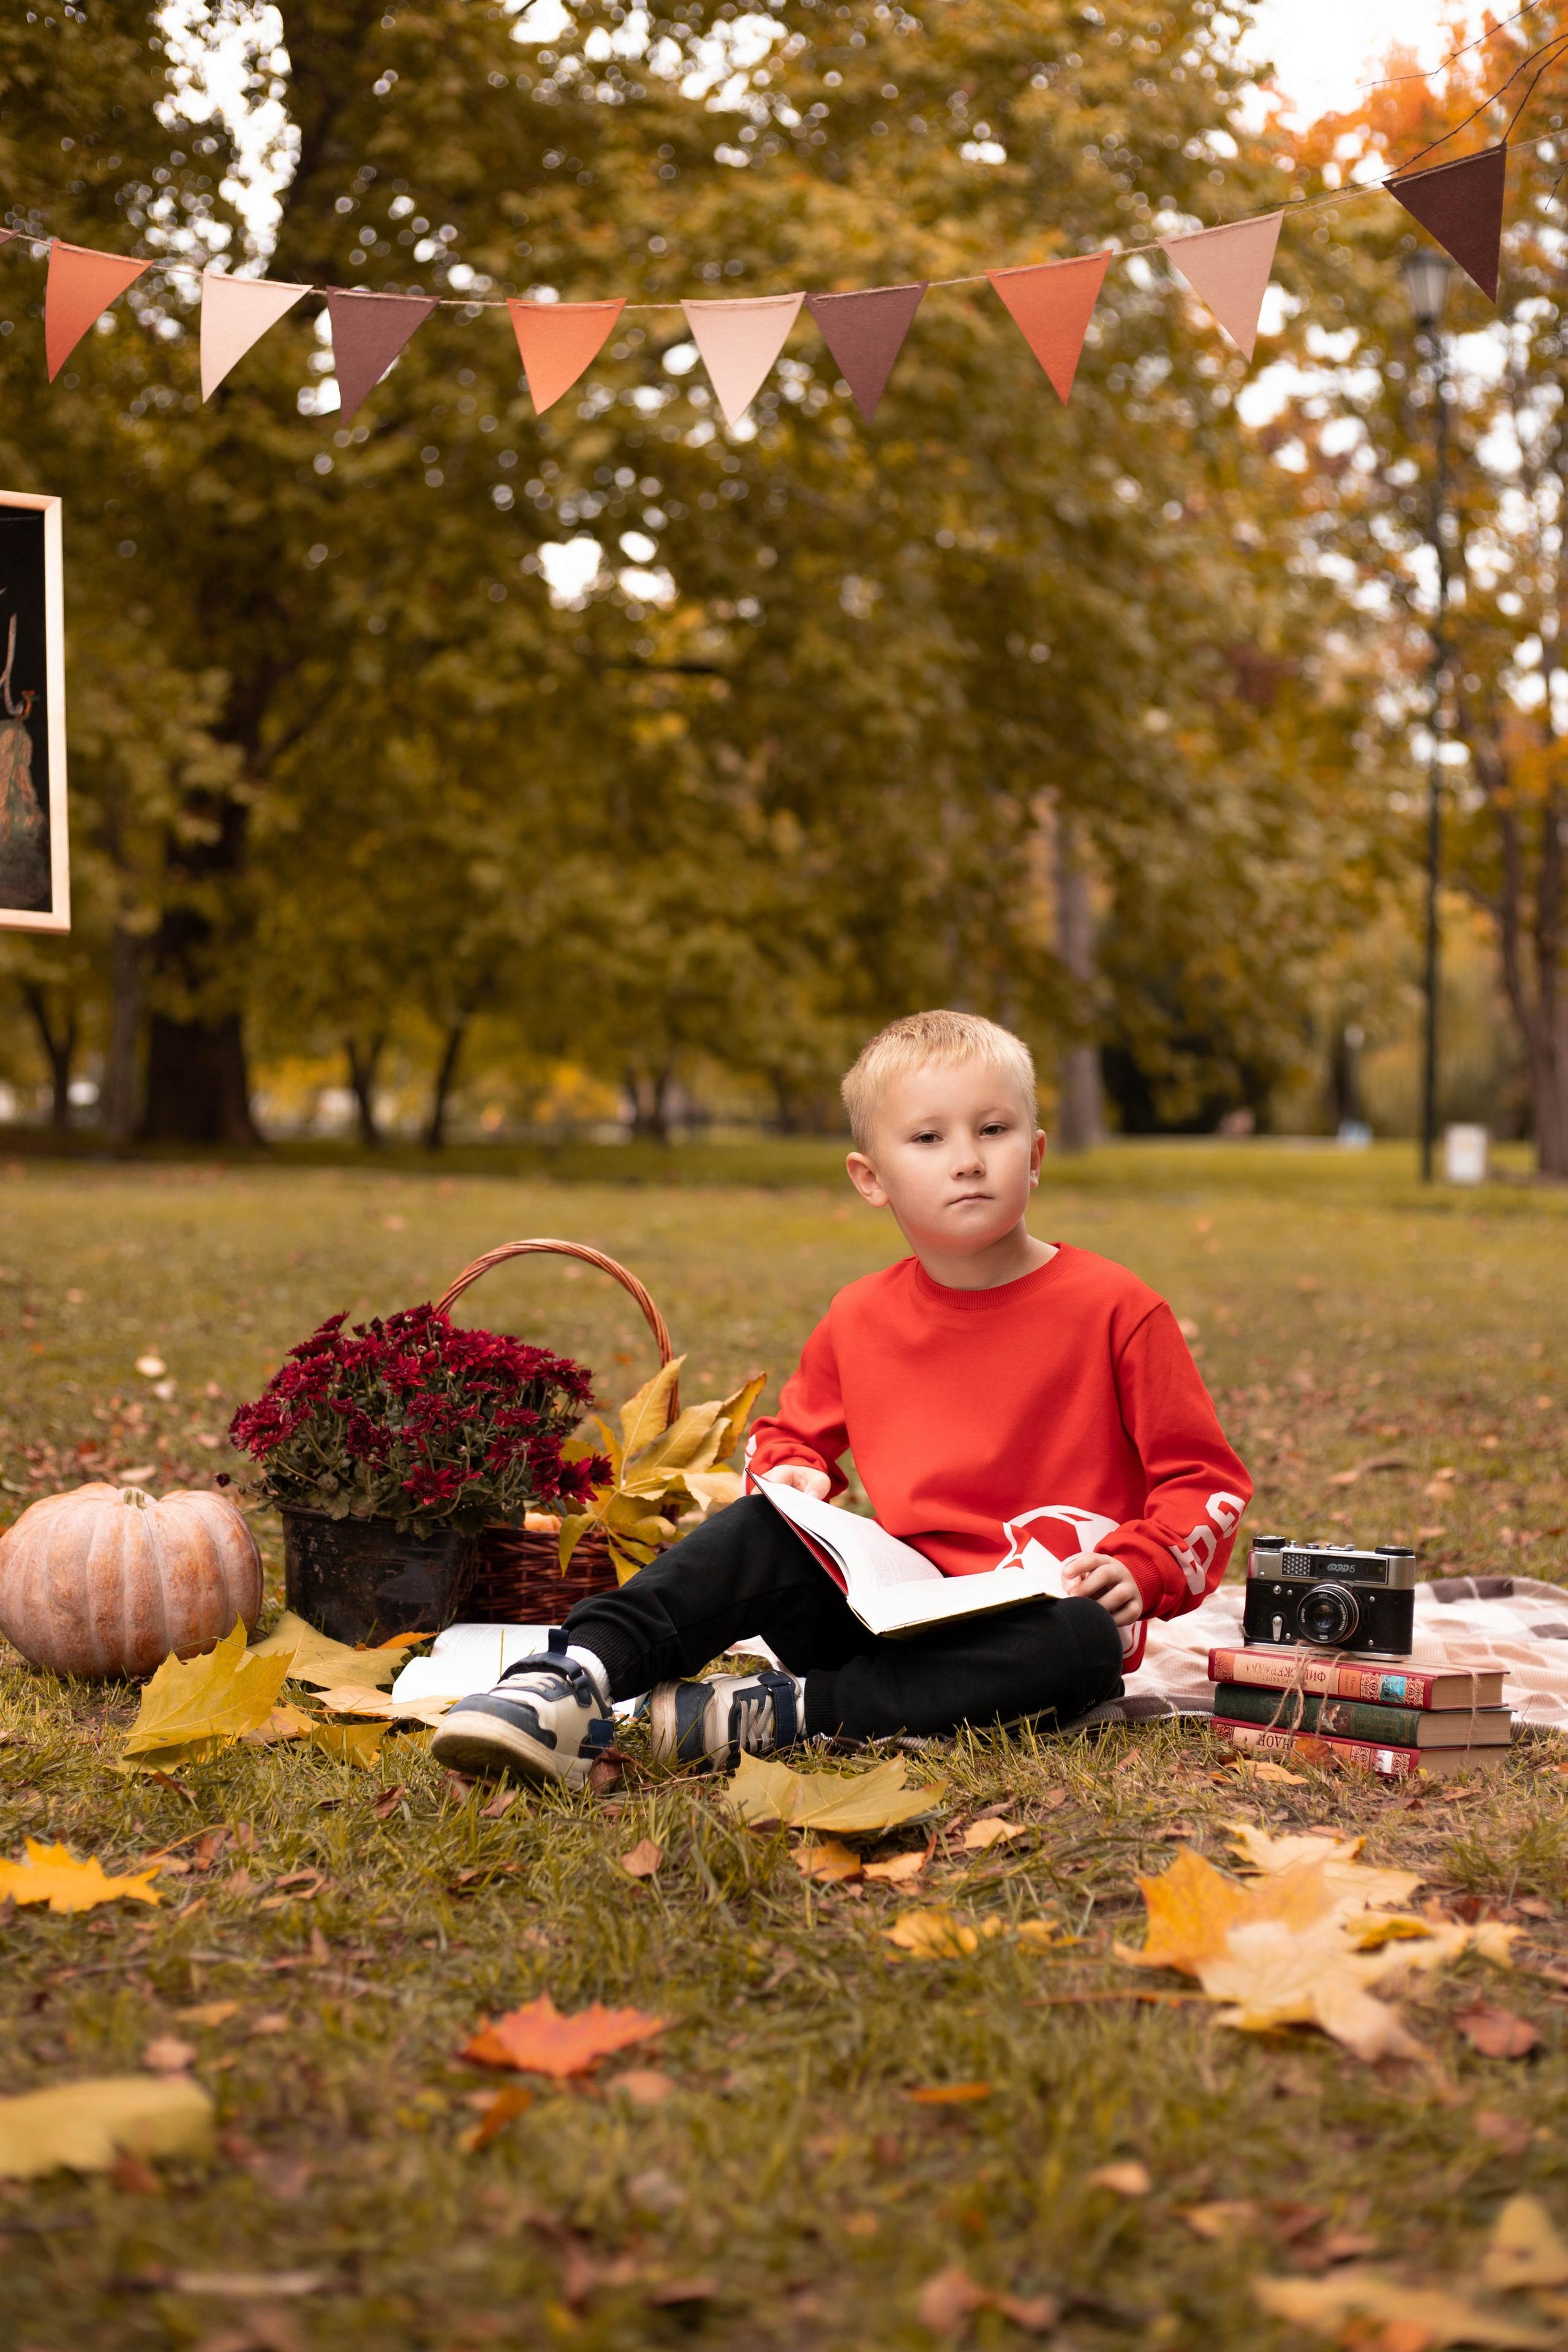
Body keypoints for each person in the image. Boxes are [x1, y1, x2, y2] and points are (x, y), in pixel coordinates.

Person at [432, 1010, 1252, 1787]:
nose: (967, 1158)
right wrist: (792, 1476)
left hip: (1034, 1624)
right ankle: (571, 1677)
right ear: (872, 1178)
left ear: (1035, 1154)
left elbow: (1204, 1482)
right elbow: (790, 1440)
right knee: (756, 1529)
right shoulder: (860, 1316)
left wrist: (1139, 1569)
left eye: (993, 1130)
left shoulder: (1115, 1308)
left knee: (1082, 1646)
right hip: (888, 1611)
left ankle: (793, 1713)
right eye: (929, 1138)